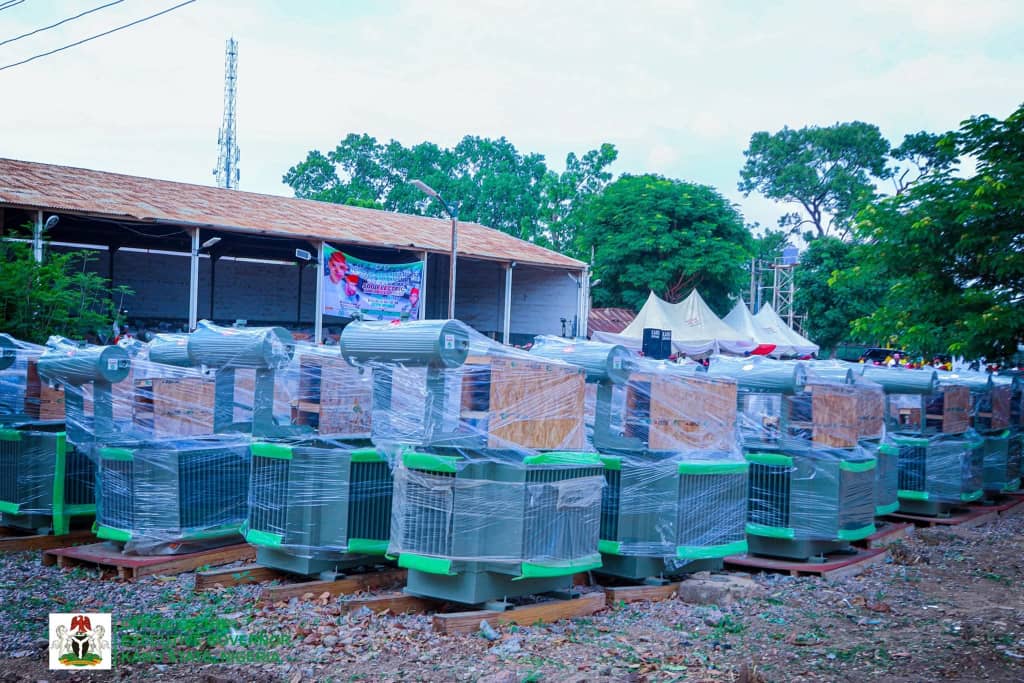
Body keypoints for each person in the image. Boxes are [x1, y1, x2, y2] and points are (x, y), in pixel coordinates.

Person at [322, 251, 348, 316]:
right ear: (329, 264)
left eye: (341, 267)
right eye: (334, 265)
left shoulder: (346, 287)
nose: (338, 270)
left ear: (345, 269)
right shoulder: (321, 282)